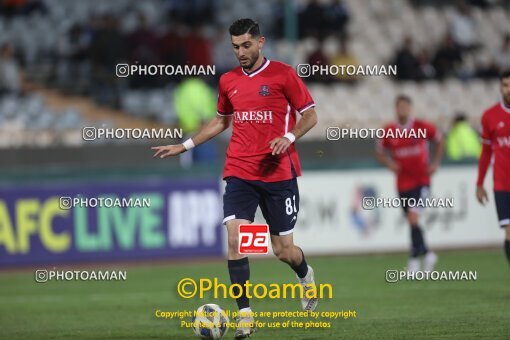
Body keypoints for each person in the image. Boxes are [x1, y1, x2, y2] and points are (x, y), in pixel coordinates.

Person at [152, 18, 319, 339]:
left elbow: (311, 114)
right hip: (240, 170)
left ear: (260, 42)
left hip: (278, 173)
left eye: (245, 45)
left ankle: (305, 274)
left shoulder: (284, 74)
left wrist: (289, 136)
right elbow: (220, 122)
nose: (240, 52)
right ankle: (245, 316)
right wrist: (184, 145)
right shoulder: (228, 80)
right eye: (234, 47)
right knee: (236, 238)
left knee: (283, 250)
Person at [375, 95, 444, 273]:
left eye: (406, 106)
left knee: (413, 217)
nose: (403, 110)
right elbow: (380, 151)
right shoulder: (389, 130)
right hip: (403, 183)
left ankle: (419, 258)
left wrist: (435, 162)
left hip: (422, 181)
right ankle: (422, 255)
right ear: (396, 109)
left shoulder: (421, 126)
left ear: (410, 108)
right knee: (411, 221)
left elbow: (439, 139)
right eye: (400, 107)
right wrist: (390, 164)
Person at [476, 70, 510, 266]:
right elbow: (486, 153)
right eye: (505, 85)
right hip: (502, 184)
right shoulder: (490, 116)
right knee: (508, 231)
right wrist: (479, 183)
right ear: (500, 87)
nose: (509, 89)